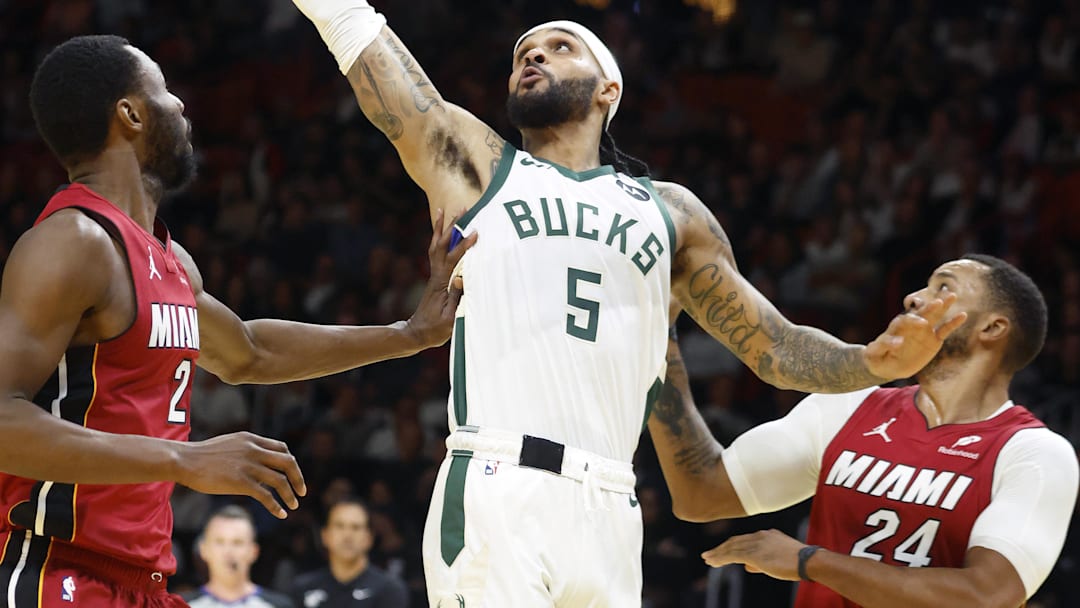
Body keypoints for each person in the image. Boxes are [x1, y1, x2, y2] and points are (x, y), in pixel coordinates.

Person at [291, 2, 961, 604]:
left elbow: (774, 348)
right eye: (524, 52)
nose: (534, 55)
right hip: (501, 482)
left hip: (613, 503)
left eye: (560, 47)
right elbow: (368, 47)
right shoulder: (484, 167)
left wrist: (872, 360)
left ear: (608, 88)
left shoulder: (671, 213)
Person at [0, 34, 471, 606]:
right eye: (164, 90)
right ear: (130, 114)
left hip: (139, 578)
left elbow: (249, 352)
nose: (181, 105)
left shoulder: (169, 261)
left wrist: (409, 335)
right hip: (53, 567)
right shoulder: (72, 241)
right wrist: (184, 458)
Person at [649, 255, 1079, 607]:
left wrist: (808, 561)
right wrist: (656, 342)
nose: (913, 298)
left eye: (943, 288)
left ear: (992, 328)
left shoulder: (1034, 453)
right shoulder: (846, 407)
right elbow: (701, 493)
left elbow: (984, 595)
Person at [289, 498, 409, 607]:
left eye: (356, 527)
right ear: (325, 535)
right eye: (339, 526)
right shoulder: (303, 588)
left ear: (369, 538)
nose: (347, 536)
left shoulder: (389, 589)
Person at [183, 505, 294, 608]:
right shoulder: (183, 605)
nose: (228, 552)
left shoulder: (279, 605)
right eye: (219, 542)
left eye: (237, 543)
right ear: (203, 550)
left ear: (254, 551)